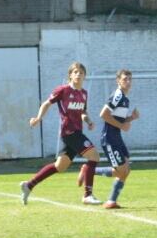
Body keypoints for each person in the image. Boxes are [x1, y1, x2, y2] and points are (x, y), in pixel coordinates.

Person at [21, 61, 102, 206]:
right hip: (69, 132)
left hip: (76, 132)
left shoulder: (84, 94)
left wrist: (88, 121)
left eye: (81, 72)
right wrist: (38, 118)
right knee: (94, 156)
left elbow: (82, 112)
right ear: (70, 75)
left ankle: (29, 185)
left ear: (85, 76)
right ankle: (87, 195)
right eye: (75, 72)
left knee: (60, 166)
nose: (78, 74)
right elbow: (47, 103)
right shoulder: (63, 90)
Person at [80, 68, 140, 210]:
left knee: (125, 169)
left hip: (116, 137)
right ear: (118, 81)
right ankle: (89, 171)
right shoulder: (118, 96)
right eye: (125, 79)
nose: (128, 82)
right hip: (109, 139)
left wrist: (131, 118)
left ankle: (111, 201)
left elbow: (117, 118)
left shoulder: (125, 99)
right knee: (121, 171)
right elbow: (104, 114)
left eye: (130, 79)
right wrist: (122, 125)